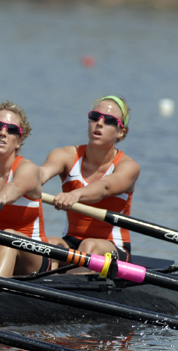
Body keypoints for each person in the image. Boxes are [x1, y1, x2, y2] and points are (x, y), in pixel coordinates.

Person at [39, 95, 139, 262]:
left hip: (112, 246)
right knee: (47, 244)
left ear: (121, 132)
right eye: (94, 117)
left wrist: (75, 195)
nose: (99, 123)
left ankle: (68, 285)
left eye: (108, 120)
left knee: (89, 246)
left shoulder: (129, 167)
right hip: (72, 241)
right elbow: (40, 174)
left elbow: (105, 187)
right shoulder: (65, 155)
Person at [0, 101, 50, 277]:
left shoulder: (27, 169)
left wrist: (2, 197)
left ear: (19, 141)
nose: (3, 133)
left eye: (11, 130)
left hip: (33, 254)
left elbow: (16, 186)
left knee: (7, 236)